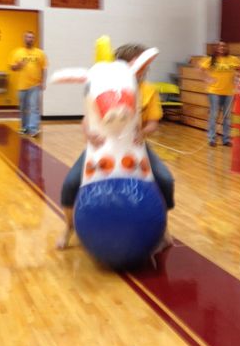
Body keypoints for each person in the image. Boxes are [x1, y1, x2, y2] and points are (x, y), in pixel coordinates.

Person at [57, 43, 175, 251]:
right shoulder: (104, 85)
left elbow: (153, 122)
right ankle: (69, 227)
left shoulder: (149, 91)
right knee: (70, 183)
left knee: (165, 179)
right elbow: (87, 118)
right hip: (103, 147)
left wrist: (143, 132)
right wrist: (89, 134)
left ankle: (163, 226)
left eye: (142, 66)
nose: (140, 70)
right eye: (134, 64)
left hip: (134, 147)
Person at [198, 41, 240, 147]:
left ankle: (226, 139)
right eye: (219, 46)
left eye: (224, 46)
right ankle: (212, 138)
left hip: (228, 92)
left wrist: (238, 76)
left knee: (227, 117)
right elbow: (200, 69)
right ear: (216, 48)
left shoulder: (233, 59)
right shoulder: (211, 60)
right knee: (214, 115)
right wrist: (207, 79)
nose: (222, 47)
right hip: (214, 92)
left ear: (226, 47)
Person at [9, 30, 47, 138]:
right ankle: (24, 128)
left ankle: (33, 129)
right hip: (21, 86)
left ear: (34, 40)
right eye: (28, 37)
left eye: (32, 37)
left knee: (34, 107)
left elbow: (44, 68)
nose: (30, 39)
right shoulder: (18, 53)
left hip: (35, 85)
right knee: (23, 108)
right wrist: (19, 65)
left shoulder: (40, 53)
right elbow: (12, 68)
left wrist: (42, 81)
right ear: (24, 39)